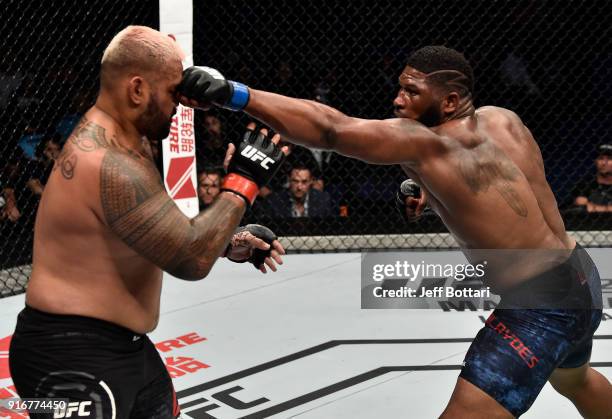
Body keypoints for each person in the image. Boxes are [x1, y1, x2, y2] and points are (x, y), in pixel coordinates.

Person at [177, 46, 612, 418]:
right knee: (576, 382)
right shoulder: (504, 119)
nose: (399, 100)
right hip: (581, 279)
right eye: (401, 86)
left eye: (412, 92)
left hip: (539, 310)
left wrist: (234, 94)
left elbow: (332, 128)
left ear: (450, 100)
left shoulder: (426, 144)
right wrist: (429, 187)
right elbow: (497, 185)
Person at [9, 26, 287, 419]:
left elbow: (148, 228)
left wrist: (227, 241)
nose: (182, 103)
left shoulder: (129, 142)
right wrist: (242, 184)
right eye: (173, 91)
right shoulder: (108, 162)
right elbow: (191, 261)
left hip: (126, 347)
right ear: (137, 89)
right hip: (70, 356)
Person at [264, 164, 333, 217]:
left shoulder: (323, 199)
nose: (299, 187)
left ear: (311, 181)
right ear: (289, 180)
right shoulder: (274, 200)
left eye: (304, 182)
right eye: (295, 181)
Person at [572, 144, 612, 212]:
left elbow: (589, 208)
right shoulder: (585, 185)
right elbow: (579, 203)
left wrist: (594, 207)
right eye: (601, 158)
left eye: (609, 159)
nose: (604, 163)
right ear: (596, 161)